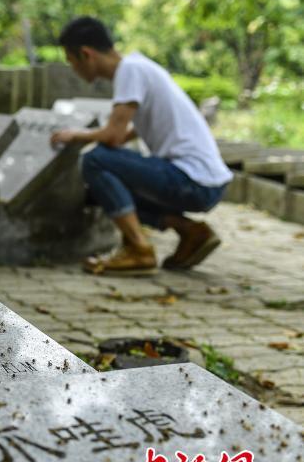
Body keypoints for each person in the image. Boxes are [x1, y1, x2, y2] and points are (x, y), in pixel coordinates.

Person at [49, 16, 233, 275]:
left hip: (193, 179)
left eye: (71, 61)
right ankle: (190, 231)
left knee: (95, 161)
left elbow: (113, 136)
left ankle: (138, 249)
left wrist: (75, 134)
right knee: (103, 185)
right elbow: (131, 130)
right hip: (206, 181)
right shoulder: (139, 66)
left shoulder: (129, 70)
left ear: (86, 54)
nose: (73, 70)